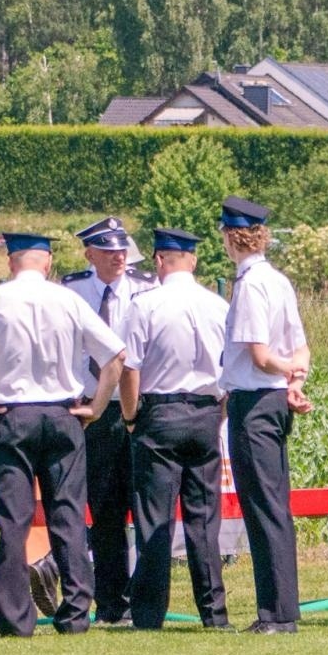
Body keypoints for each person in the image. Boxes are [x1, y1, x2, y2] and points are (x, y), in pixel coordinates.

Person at [0, 233, 124, 636]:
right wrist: (95, 406)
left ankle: (14, 618)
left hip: (12, 416)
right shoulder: (69, 299)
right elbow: (115, 355)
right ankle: (76, 610)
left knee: (14, 519)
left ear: (11, 263)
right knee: (69, 515)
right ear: (47, 264)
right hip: (63, 414)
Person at [36, 215, 158, 626]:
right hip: (92, 407)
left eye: (122, 250)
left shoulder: (146, 288)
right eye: (108, 251)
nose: (117, 257)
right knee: (104, 508)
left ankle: (144, 598)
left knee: (145, 506)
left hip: (138, 407)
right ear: (90, 254)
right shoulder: (72, 290)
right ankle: (110, 603)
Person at [117, 228, 231, 630]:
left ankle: (149, 613)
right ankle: (214, 613)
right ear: (194, 261)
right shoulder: (218, 305)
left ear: (159, 261)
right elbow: (230, 373)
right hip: (205, 413)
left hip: (159, 414)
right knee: (203, 521)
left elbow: (129, 369)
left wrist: (131, 417)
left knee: (155, 518)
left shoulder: (145, 304)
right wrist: (217, 415)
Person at [219, 197, 311, 634]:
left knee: (264, 508)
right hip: (273, 400)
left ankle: (276, 612)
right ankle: (279, 609)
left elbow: (259, 355)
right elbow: (300, 346)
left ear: (229, 236)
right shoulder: (277, 280)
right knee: (272, 505)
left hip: (254, 402)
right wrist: (295, 379)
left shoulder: (252, 284)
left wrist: (286, 372)